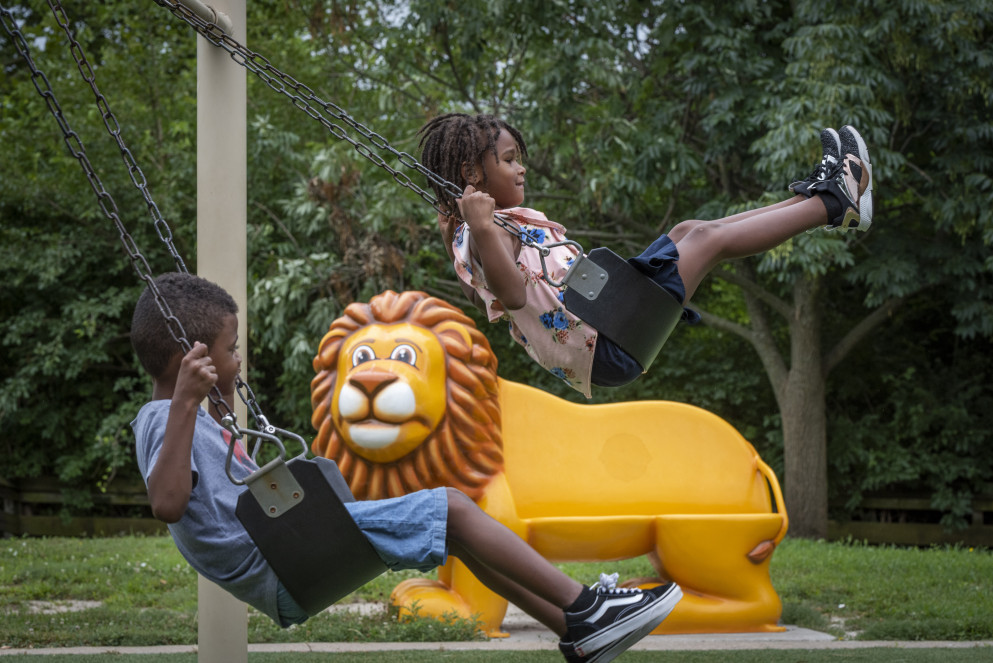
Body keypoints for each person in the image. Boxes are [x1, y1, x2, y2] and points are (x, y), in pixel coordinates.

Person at [129, 271, 683, 662]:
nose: (238, 358)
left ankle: (576, 630)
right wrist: (183, 403)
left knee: (456, 534)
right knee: (454, 508)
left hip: (286, 557)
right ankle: (588, 604)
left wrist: (213, 387)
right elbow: (167, 503)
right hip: (280, 563)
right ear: (189, 361)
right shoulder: (164, 417)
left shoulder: (195, 413)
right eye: (231, 347)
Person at [418, 114, 873, 397]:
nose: (521, 168)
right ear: (472, 172)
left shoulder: (488, 227)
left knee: (690, 231)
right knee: (707, 241)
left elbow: (479, 294)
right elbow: (509, 295)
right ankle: (834, 203)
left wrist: (451, 233)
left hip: (606, 318)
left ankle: (822, 197)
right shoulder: (482, 230)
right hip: (607, 340)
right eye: (509, 159)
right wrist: (472, 225)